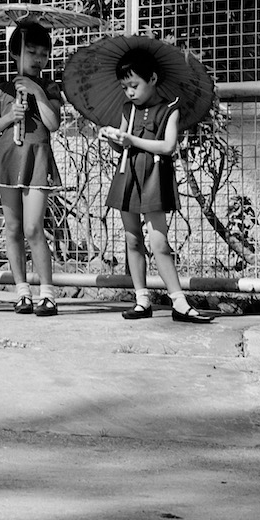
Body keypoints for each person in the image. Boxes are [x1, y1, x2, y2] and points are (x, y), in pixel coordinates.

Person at [99, 47, 214, 323]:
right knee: (132, 238)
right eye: (125, 87)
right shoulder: (128, 108)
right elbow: (122, 144)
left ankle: (179, 302)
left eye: (134, 85)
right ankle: (141, 300)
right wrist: (112, 137)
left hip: (153, 177)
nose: (129, 92)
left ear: (152, 78)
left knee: (159, 242)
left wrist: (131, 141)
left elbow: (167, 146)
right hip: (127, 177)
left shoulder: (169, 108)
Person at [0, 22, 64, 317]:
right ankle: (22, 291)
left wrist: (37, 93)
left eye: (44, 53)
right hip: (9, 160)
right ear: (16, 52)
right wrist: (8, 118)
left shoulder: (50, 86)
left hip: (37, 159)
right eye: (31, 51)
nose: (38, 58)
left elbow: (53, 124)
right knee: (13, 227)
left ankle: (48, 294)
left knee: (33, 227)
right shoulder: (2, 89)